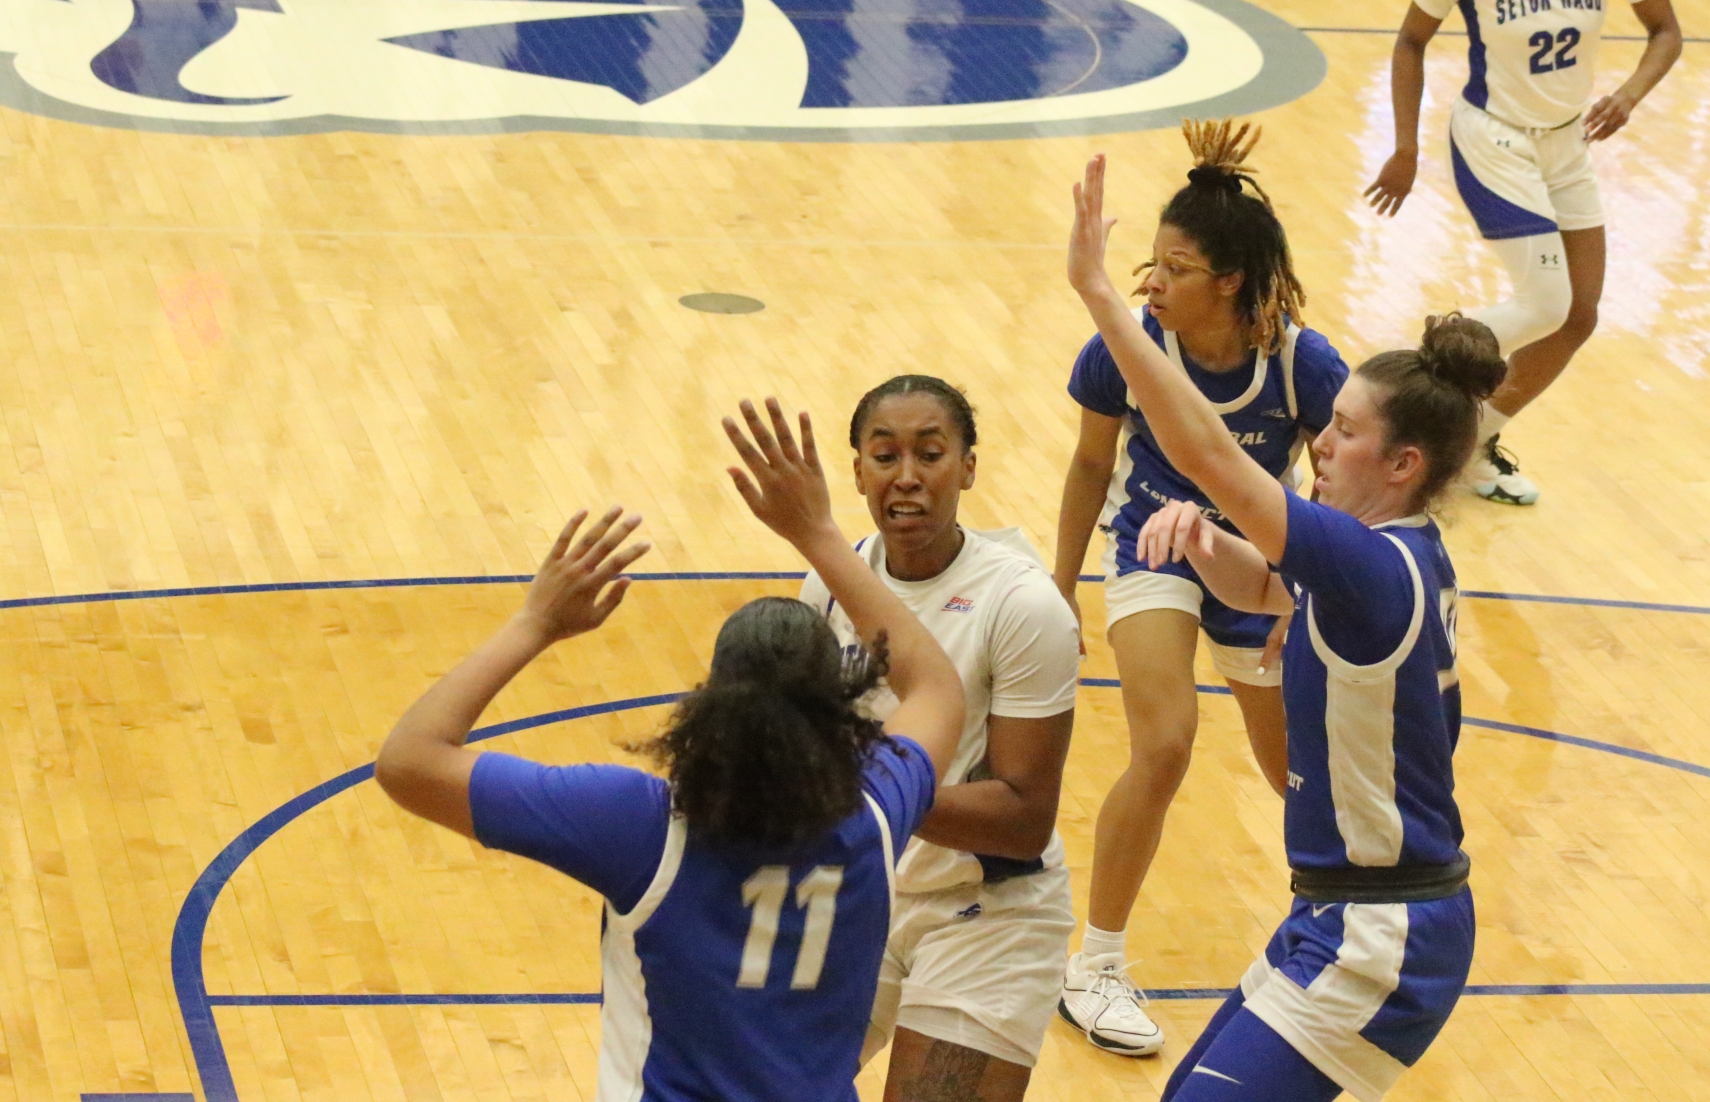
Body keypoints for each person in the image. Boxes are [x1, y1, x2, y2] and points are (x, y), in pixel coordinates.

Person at [373, 396, 967, 1102]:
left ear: (708, 708)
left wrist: (536, 623)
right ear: (843, 709)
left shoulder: (640, 825)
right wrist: (818, 535)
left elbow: (408, 760)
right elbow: (935, 686)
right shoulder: (877, 809)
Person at [1071, 149, 1501, 1101]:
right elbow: (1274, 589)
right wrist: (1203, 543)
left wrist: (1101, 295)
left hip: (1382, 935)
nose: (1323, 445)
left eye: (1344, 431)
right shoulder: (1396, 554)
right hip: (1340, 915)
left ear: (1404, 465)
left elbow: (1209, 453)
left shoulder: (1364, 564)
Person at [1056, 119, 1349, 1058]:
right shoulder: (1126, 348)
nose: (1152, 283)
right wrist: (1060, 585)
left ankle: (1335, 937)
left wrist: (1305, 595)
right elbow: (1089, 466)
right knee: (1167, 743)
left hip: (1258, 573)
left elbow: (1340, 489)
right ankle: (1095, 964)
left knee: (1298, 774)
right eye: (1149, 264)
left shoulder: (1303, 363)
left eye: (1175, 269)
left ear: (1229, 281)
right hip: (1152, 550)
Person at [801, 375, 1080, 1102]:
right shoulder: (829, 585)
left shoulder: (1022, 604)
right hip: (865, 893)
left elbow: (1023, 819)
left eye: (929, 454)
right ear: (857, 471)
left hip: (989, 911)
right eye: (885, 455)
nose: (907, 476)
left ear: (968, 468)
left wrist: (856, 784)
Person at [1365, 0, 1681, 504]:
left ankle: (1468, 442)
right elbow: (1410, 41)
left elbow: (1666, 31)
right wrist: (1405, 147)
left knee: (1578, 315)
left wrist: (1629, 95)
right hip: (1492, 138)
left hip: (1567, 141)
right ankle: (1407, 381)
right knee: (1545, 302)